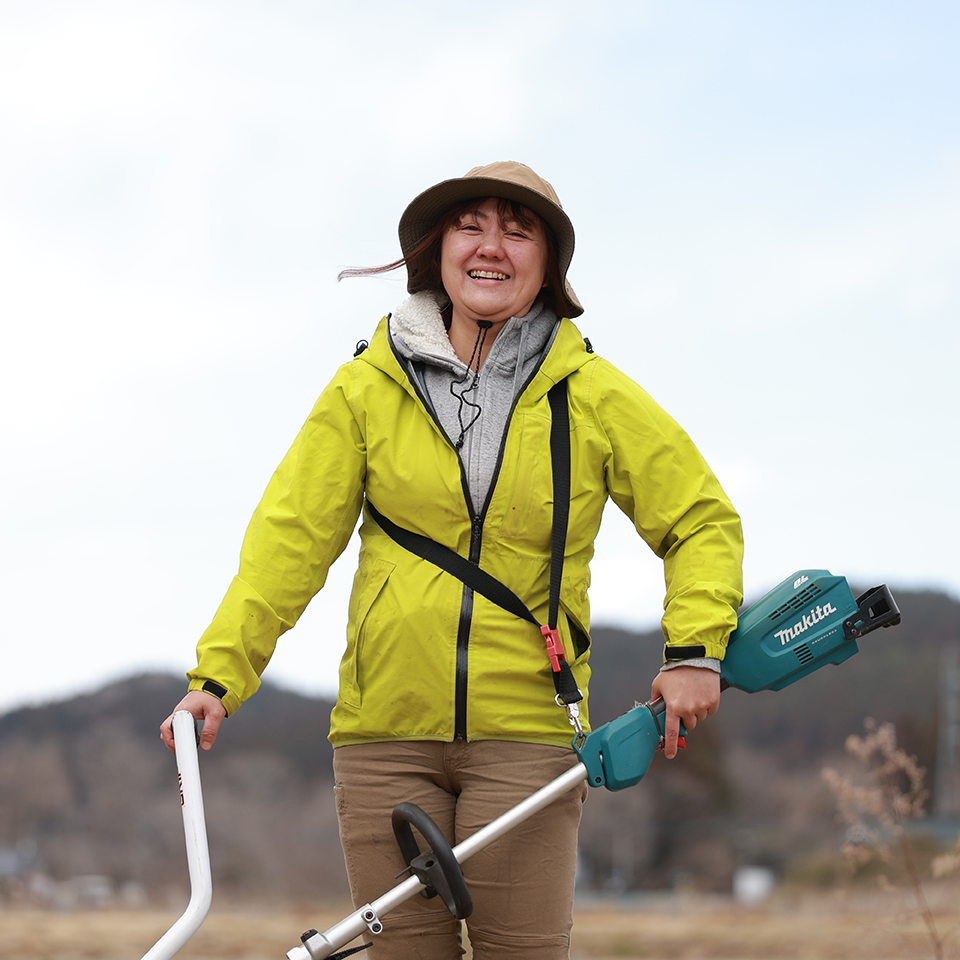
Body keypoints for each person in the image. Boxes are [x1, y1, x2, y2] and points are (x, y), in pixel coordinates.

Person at [160, 161, 743, 960]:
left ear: (549, 261)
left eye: (518, 228)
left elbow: (701, 520)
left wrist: (694, 652)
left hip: (526, 736)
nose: (491, 247)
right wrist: (217, 677)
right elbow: (287, 541)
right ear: (438, 250)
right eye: (472, 226)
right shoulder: (363, 391)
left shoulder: (595, 394)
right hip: (381, 739)